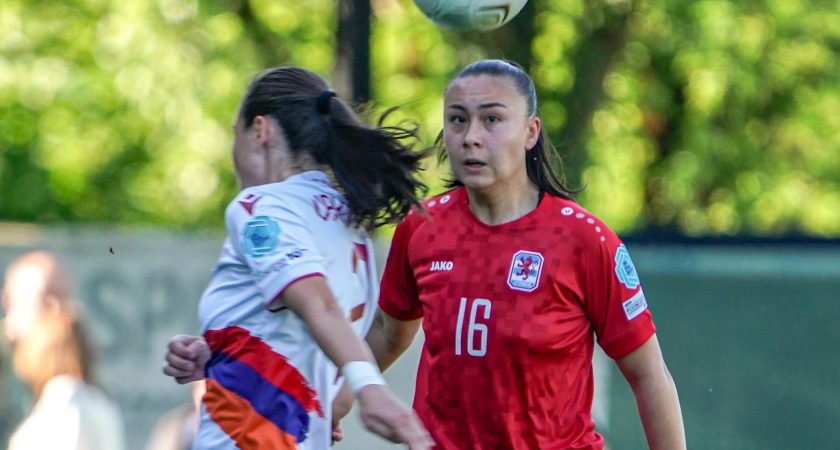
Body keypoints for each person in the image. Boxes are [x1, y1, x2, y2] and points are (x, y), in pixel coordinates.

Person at [166, 59, 686, 449]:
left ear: (530, 132)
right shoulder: (423, 228)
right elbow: (385, 334)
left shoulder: (584, 240)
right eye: (457, 120)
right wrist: (337, 401)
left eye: (492, 120)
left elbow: (648, 375)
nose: (471, 137)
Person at [162, 65, 433, 450]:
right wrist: (221, 351)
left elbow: (316, 303)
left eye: (235, 134)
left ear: (260, 130)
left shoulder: (261, 206)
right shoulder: (348, 225)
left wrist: (370, 388)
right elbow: (321, 363)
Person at [1, 250, 126, 450]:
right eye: (46, 298)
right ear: (8, 300)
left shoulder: (72, 390)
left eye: (64, 297)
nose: (58, 309)